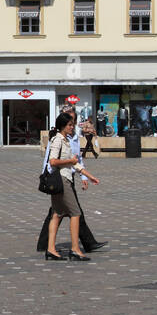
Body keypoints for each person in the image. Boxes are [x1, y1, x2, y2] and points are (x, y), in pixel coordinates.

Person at [40, 112, 99, 262]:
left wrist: (89, 176)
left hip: (64, 178)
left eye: (72, 125)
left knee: (57, 214)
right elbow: (53, 162)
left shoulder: (66, 140)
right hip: (62, 180)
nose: (72, 127)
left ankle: (51, 250)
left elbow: (75, 162)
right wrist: (69, 162)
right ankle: (75, 249)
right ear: (62, 126)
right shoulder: (58, 140)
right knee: (75, 213)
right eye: (69, 125)